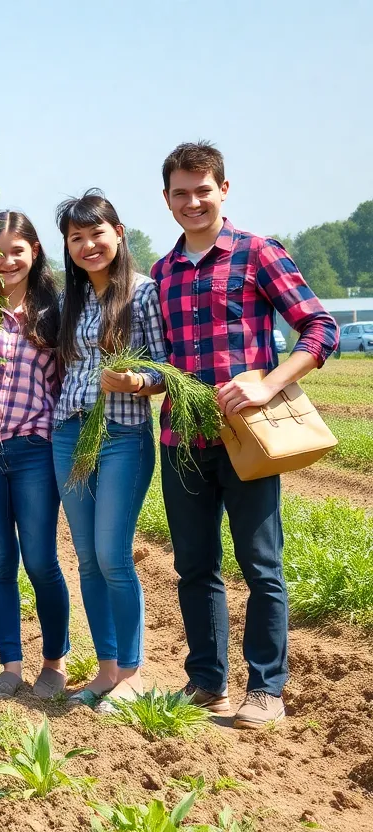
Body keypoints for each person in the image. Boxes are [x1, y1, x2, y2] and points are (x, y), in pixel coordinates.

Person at [153, 142, 338, 728]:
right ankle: (207, 682)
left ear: (223, 190)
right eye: (180, 193)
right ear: (167, 200)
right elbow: (163, 360)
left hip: (249, 438)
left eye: (203, 190)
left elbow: (319, 326)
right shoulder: (162, 271)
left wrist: (267, 384)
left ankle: (266, 687)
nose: (193, 202)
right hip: (183, 443)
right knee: (195, 566)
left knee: (261, 565)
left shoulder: (257, 253)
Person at [49, 194, 165, 712]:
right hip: (68, 434)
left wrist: (138, 379)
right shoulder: (66, 303)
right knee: (89, 561)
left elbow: (166, 368)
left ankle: (133, 674)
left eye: (96, 234)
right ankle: (105, 669)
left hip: (122, 433)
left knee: (113, 554)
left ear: (118, 233)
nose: (87, 246)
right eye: (76, 238)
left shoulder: (143, 294)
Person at [0, 211, 69, 701]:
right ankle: (10, 664)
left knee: (41, 559)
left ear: (35, 252)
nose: (6, 261)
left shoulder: (55, 312)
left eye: (16, 251)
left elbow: (67, 382)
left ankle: (54, 663)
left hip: (33, 448)